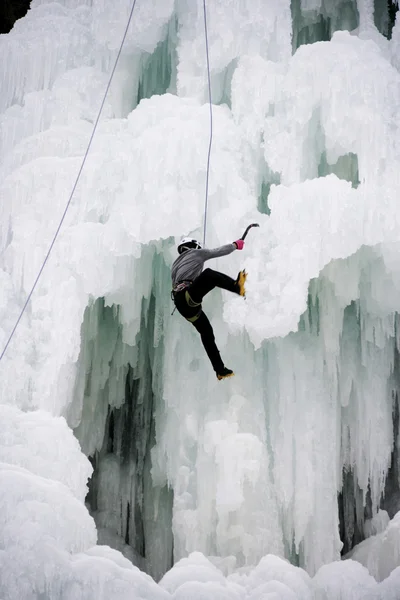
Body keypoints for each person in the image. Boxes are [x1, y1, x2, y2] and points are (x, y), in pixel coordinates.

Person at [171, 236, 247, 380]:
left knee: (206, 332)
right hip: (186, 297)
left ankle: (220, 370)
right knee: (209, 275)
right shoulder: (195, 253)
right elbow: (218, 251)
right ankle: (236, 287)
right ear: (193, 246)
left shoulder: (175, 265)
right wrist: (236, 245)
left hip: (183, 305)